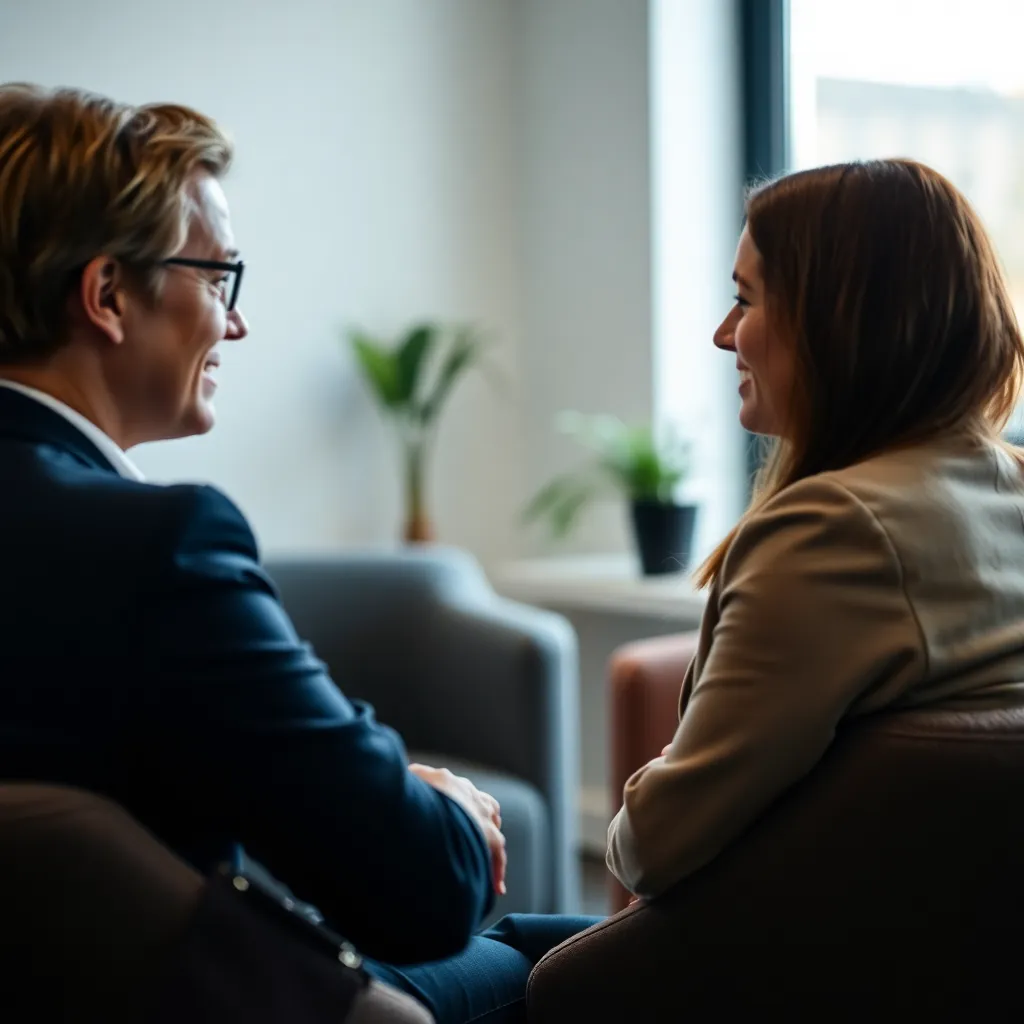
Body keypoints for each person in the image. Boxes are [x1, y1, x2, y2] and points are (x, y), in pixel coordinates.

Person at [0, 83, 596, 1024]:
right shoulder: (153, 551)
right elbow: (423, 893)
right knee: (599, 956)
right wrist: (437, 810)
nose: (234, 323)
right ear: (108, 294)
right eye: (216, 278)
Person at [607, 158, 1024, 899]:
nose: (722, 334)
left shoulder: (831, 531)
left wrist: (656, 777)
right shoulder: (1005, 486)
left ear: (835, 321)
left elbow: (649, 847)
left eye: (746, 300)